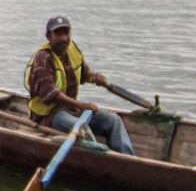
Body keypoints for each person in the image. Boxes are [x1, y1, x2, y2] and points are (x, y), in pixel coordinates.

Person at [25, 15, 136, 155]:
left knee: (113, 120)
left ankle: (127, 158)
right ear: (48, 36)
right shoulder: (42, 59)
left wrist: (94, 77)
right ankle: (100, 162)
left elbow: (84, 73)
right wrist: (81, 105)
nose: (64, 38)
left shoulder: (71, 49)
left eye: (66, 33)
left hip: (71, 109)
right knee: (82, 129)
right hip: (49, 115)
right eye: (58, 34)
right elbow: (52, 95)